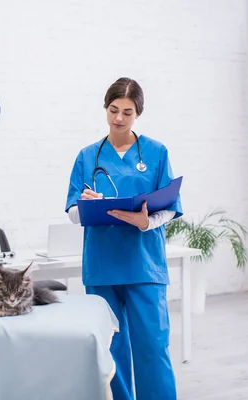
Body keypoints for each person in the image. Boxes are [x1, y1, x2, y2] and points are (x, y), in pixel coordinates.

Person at [65, 77, 183, 400]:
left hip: (144, 263)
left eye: (127, 112)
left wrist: (145, 222)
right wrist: (85, 205)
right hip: (103, 266)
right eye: (113, 110)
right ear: (106, 108)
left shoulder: (156, 152)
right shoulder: (88, 156)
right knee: (110, 349)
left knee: (153, 345)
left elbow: (170, 207)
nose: (118, 118)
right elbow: (73, 211)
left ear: (137, 114)